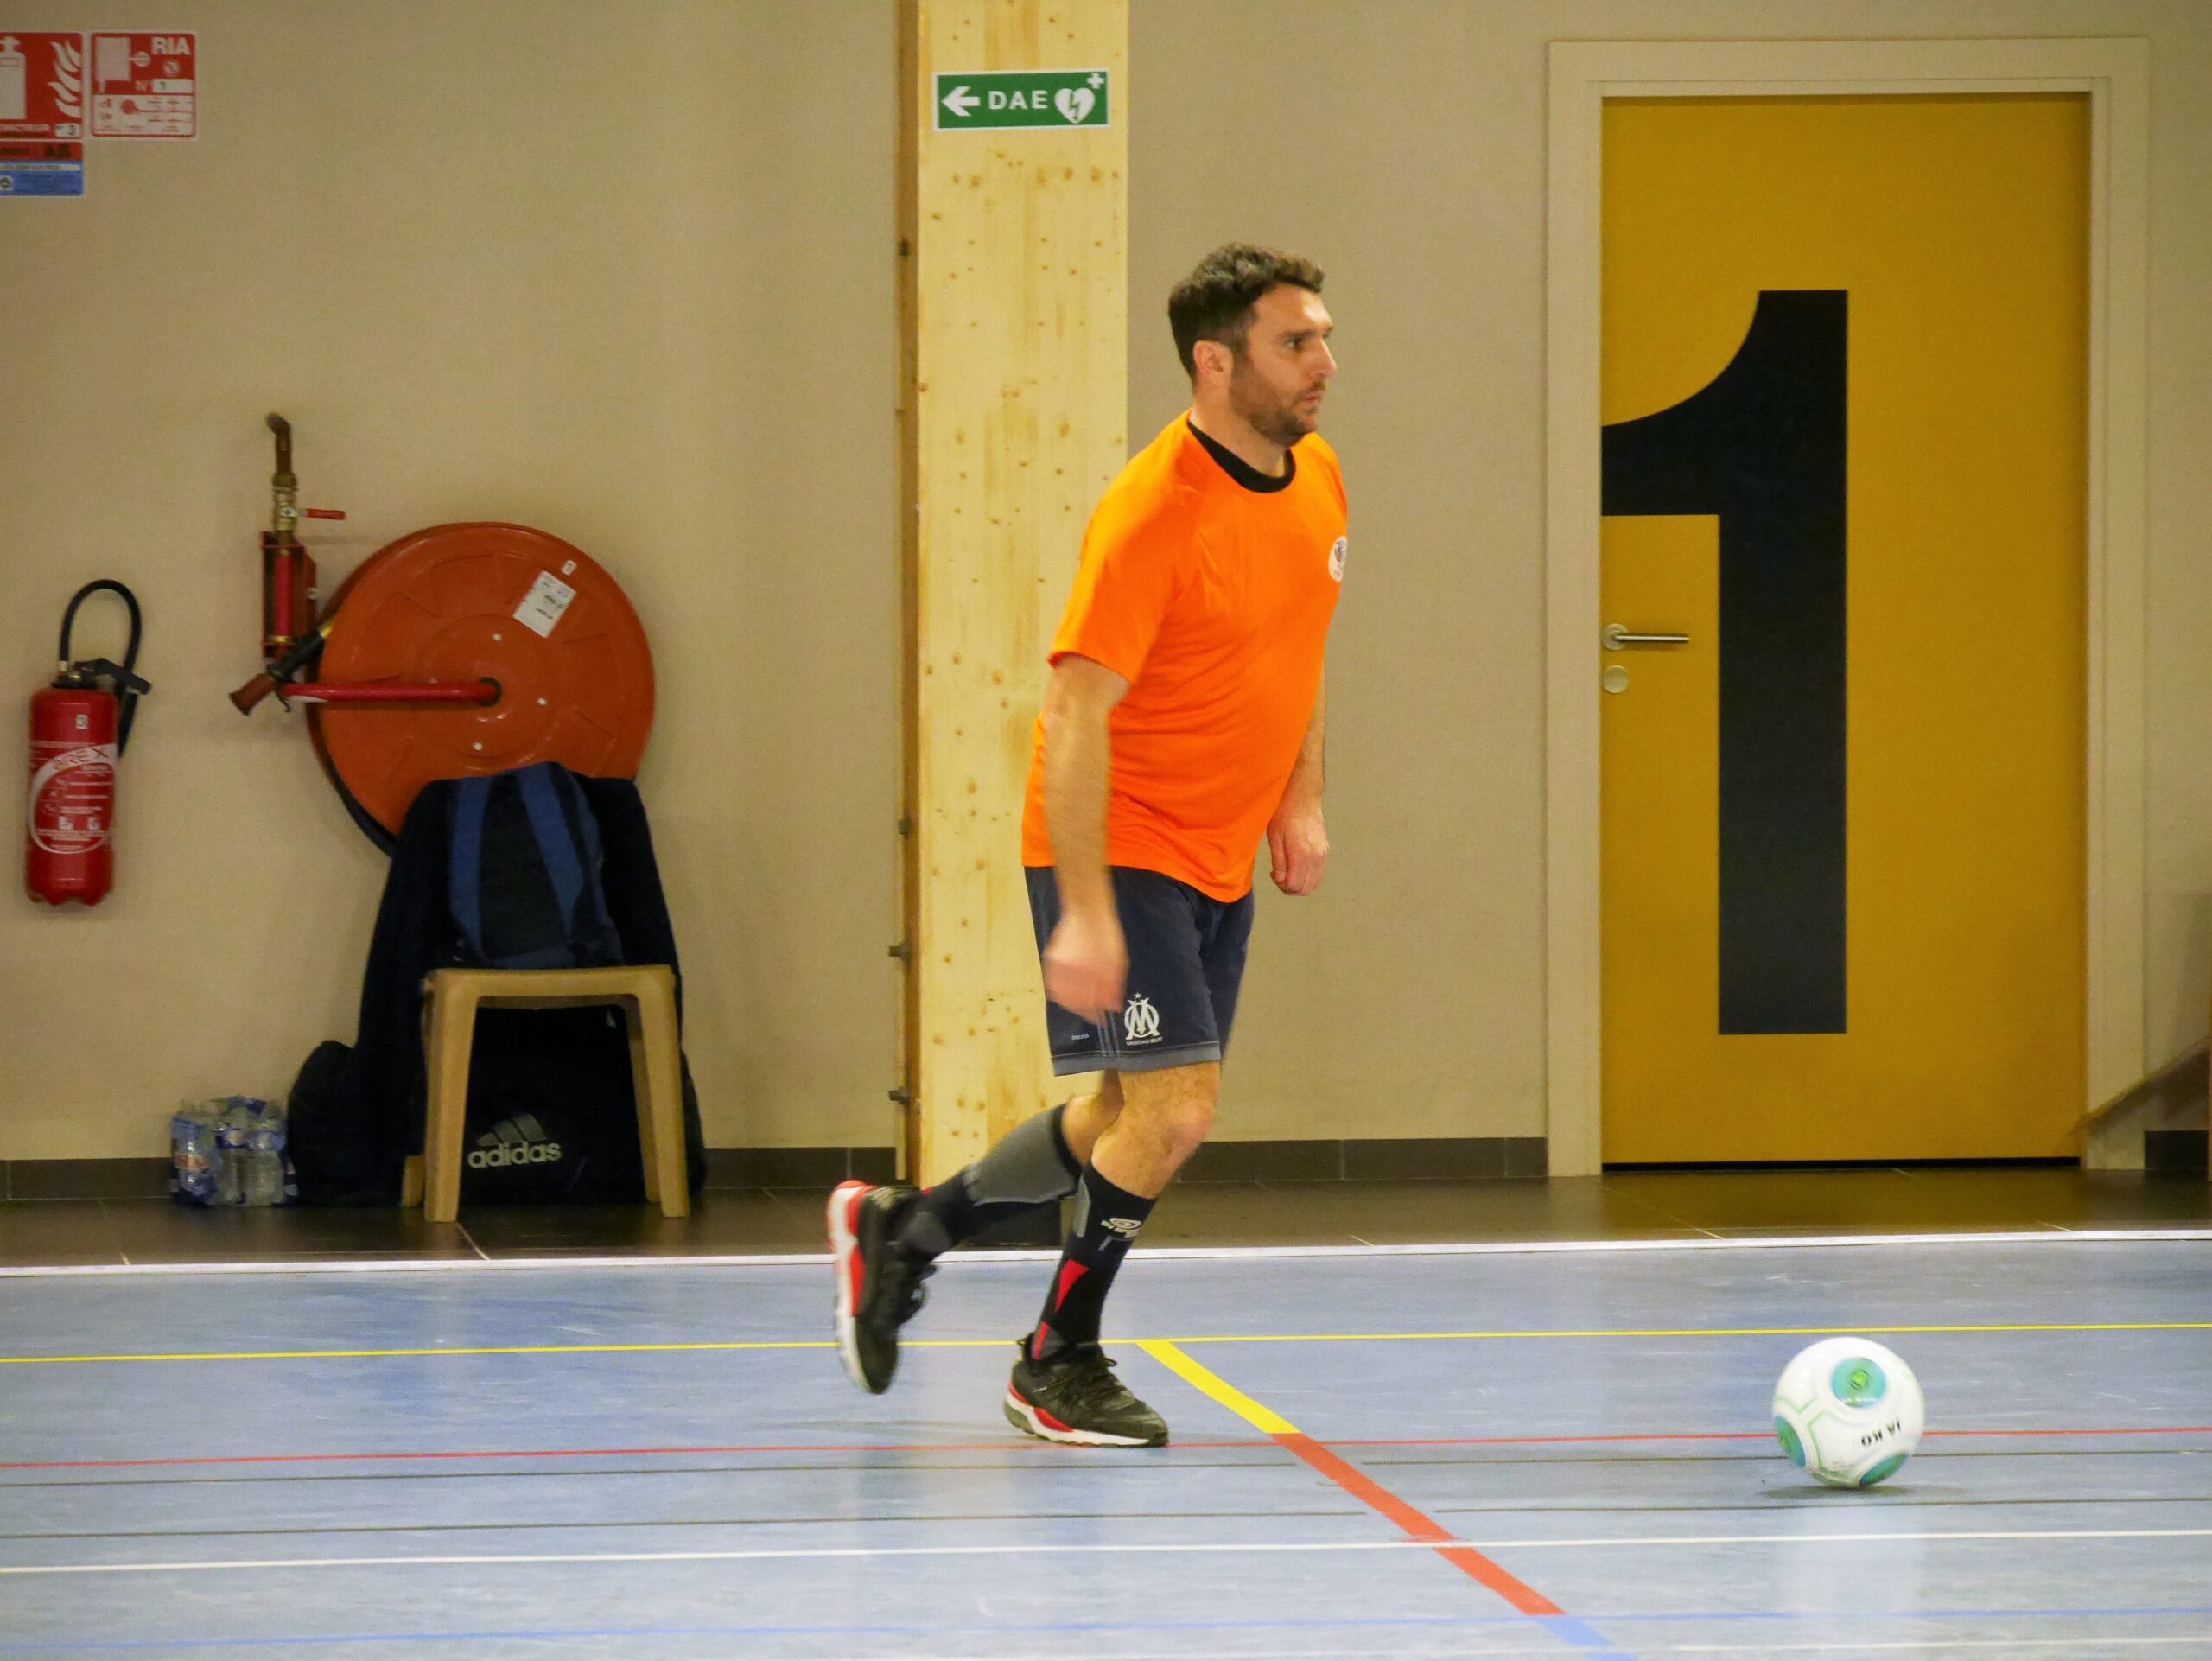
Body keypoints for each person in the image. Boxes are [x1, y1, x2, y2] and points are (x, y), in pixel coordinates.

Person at [830, 242, 1344, 1446]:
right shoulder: (1153, 513)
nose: (1324, 362)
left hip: (1218, 846)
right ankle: (1056, 1359)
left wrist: (1299, 796)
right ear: (1216, 363)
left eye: (1322, 335)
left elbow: (1299, 648)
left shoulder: (1316, 475)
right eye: (1295, 342)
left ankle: (906, 1230)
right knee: (1174, 1113)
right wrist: (1089, 907)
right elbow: (1070, 713)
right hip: (1124, 845)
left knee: (1123, 1105)